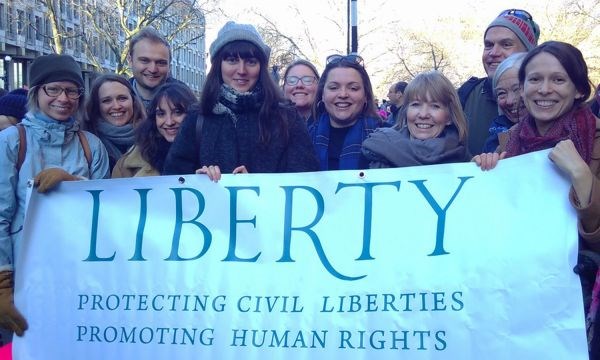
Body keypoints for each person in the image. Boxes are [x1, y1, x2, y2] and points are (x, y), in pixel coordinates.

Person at [472, 41, 600, 355]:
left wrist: (582, 175)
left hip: (576, 297)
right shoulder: (510, 142)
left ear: (579, 90)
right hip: (518, 292)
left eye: (558, 80)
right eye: (534, 79)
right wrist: (488, 171)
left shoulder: (595, 140)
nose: (544, 89)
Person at [0, 54, 109, 341]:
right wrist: (2, 284)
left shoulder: (92, 146)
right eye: (54, 89)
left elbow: (105, 213)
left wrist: (75, 185)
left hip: (79, 274)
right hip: (26, 275)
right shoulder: (11, 141)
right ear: (37, 92)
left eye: (72, 90)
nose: (64, 98)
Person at [163, 21, 319, 180]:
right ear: (218, 65)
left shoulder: (287, 118)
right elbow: (173, 180)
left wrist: (257, 187)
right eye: (232, 60)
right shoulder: (197, 117)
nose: (242, 70)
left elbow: (305, 181)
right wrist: (195, 181)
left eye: (251, 62)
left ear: (261, 67)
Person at [458, 9, 540, 156]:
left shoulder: (547, 99)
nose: (493, 52)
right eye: (488, 45)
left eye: (506, 44)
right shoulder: (467, 94)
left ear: (529, 52)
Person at [362, 70, 470, 168]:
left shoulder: (466, 162)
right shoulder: (376, 149)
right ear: (406, 111)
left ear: (449, 117)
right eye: (416, 104)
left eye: (435, 106)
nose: (423, 114)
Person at [309, 54, 382, 170]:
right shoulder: (304, 139)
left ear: (365, 96)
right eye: (333, 88)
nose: (343, 94)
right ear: (322, 94)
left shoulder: (388, 139)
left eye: (353, 88)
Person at [112, 82, 197, 177]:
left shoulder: (208, 154)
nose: (169, 122)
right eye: (161, 114)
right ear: (153, 118)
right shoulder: (127, 163)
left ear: (193, 114)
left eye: (177, 112)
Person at [84, 74, 146, 172]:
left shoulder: (152, 136)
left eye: (122, 98)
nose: (116, 106)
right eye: (106, 101)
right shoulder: (86, 143)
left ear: (133, 101)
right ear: (96, 106)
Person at [482, 52, 528, 153]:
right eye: (501, 93)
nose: (510, 101)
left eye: (517, 89)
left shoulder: (565, 128)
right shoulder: (495, 135)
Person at [127, 27, 180, 107]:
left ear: (169, 66)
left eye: (160, 63)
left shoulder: (188, 105)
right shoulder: (113, 101)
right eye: (145, 61)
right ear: (130, 61)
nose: (153, 69)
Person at [282, 59, 320, 125]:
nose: (299, 85)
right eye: (292, 81)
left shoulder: (334, 124)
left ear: (319, 86)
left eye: (307, 80)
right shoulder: (267, 124)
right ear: (284, 87)